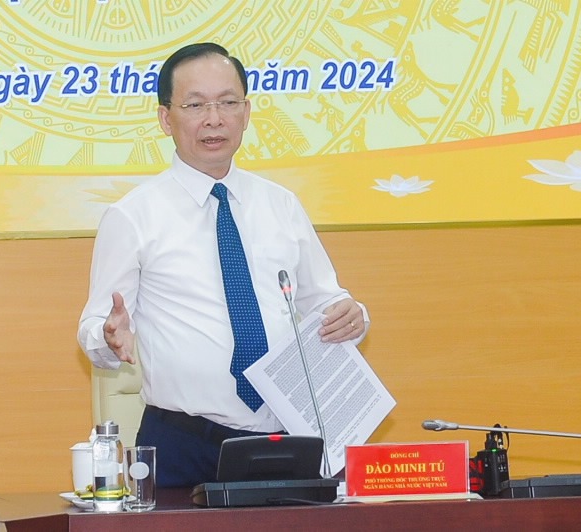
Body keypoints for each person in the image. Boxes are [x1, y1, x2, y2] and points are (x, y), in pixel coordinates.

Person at [77, 42, 369, 488]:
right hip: (182, 442)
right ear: (165, 118)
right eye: (195, 104)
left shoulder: (281, 204)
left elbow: (327, 302)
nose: (214, 118)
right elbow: (95, 326)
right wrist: (108, 335)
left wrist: (354, 315)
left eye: (228, 103)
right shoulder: (133, 215)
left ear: (246, 113)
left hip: (286, 435)